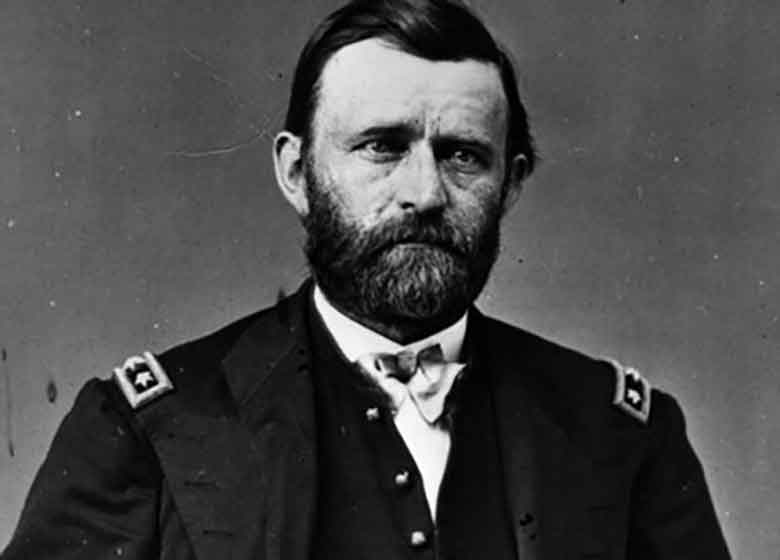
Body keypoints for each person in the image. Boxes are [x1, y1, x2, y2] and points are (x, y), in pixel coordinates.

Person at [2, 0, 731, 558]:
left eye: (463, 156)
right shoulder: (149, 429)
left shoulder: (620, 434)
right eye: (383, 147)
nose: (424, 193)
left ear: (510, 184)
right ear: (297, 173)